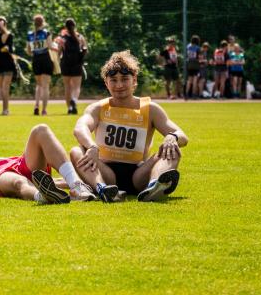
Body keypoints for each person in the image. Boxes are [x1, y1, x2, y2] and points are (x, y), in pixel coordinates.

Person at [70, 51, 188, 202]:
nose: (119, 85)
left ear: (134, 80)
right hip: (105, 173)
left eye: (125, 79)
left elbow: (182, 136)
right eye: (113, 80)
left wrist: (173, 137)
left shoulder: (151, 109)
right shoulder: (98, 108)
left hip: (139, 175)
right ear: (106, 82)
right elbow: (80, 128)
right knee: (76, 151)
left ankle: (154, 186)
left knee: (173, 149)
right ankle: (103, 189)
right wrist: (92, 147)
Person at [0, 124, 98, 203]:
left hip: (18, 163)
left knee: (40, 130)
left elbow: (54, 181)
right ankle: (43, 196)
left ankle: (77, 186)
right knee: (18, 182)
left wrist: (87, 183)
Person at [27, 14, 56, 115]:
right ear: (43, 22)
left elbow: (29, 51)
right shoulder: (46, 33)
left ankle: (36, 105)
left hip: (36, 60)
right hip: (46, 59)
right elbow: (50, 46)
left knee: (38, 85)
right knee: (45, 86)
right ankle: (44, 110)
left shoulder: (30, 35)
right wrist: (58, 47)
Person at [58, 18, 87, 115]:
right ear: (74, 26)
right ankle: (74, 100)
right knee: (76, 86)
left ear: (65, 27)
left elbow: (59, 52)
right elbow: (85, 49)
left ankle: (69, 108)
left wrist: (58, 62)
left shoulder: (62, 38)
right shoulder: (80, 37)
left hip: (65, 64)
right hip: (77, 64)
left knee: (67, 87)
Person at [184, 35, 202, 99]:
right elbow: (199, 57)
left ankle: (186, 94)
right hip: (195, 65)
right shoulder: (198, 48)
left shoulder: (188, 46)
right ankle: (193, 94)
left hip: (189, 64)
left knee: (189, 80)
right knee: (195, 80)